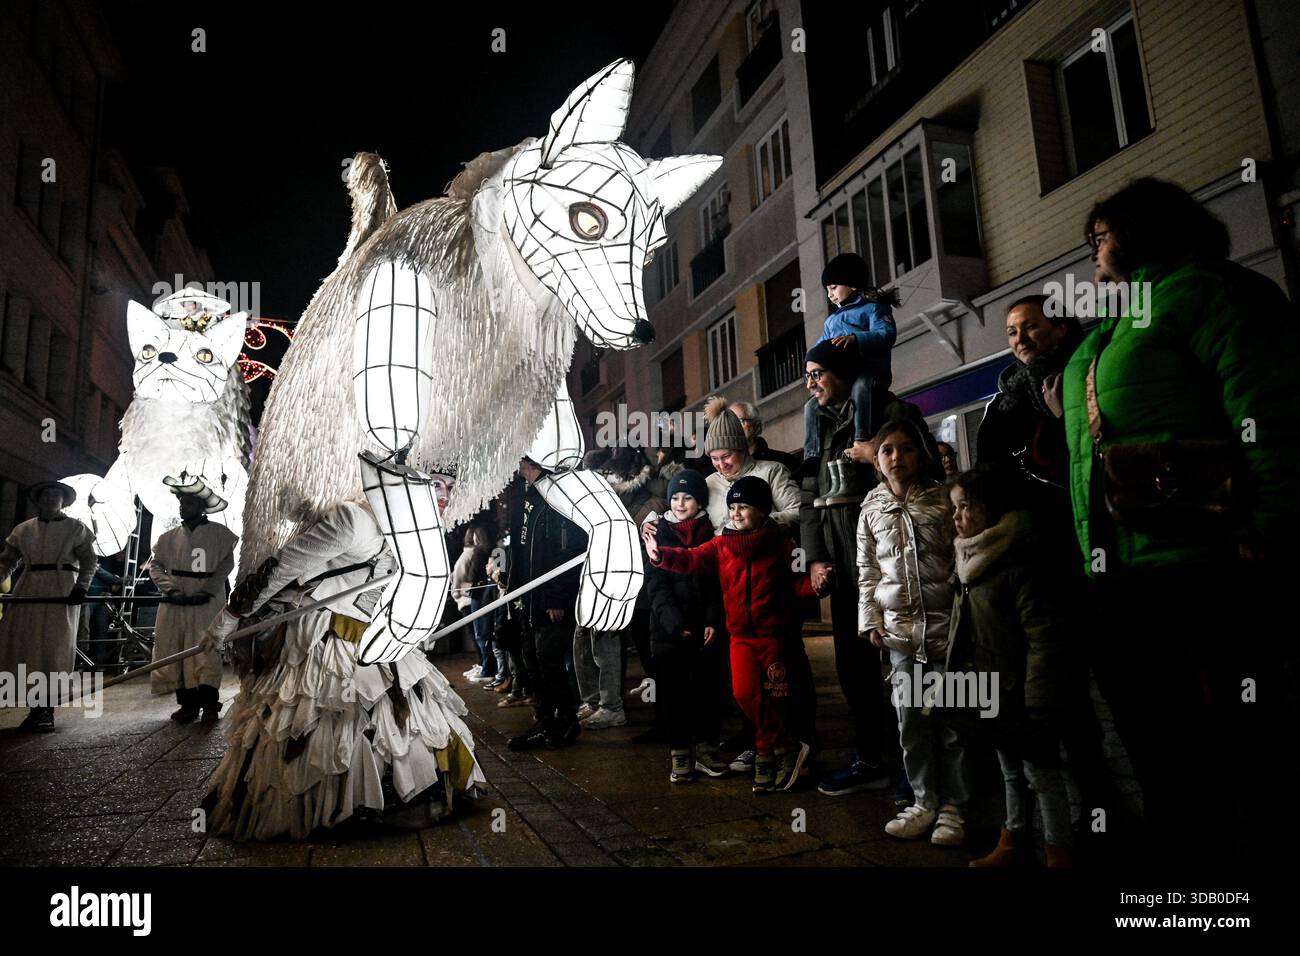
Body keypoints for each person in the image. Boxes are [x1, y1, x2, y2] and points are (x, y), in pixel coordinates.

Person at [1060, 177, 1300, 865]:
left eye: (1100, 236)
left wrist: (1267, 529)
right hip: (1123, 567)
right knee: (1162, 755)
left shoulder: (1210, 293)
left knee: (1236, 751)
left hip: (1204, 565)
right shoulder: (1118, 320)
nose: (1093, 252)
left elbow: (1274, 412)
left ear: (1140, 231)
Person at [200, 497, 485, 839]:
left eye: (449, 488)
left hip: (374, 634)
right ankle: (337, 807)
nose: (441, 497)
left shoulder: (409, 532)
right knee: (319, 717)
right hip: (323, 635)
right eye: (435, 485)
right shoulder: (355, 520)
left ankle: (391, 798)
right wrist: (228, 619)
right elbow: (282, 566)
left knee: (395, 715)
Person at [976, 293, 1119, 847]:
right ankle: (1080, 814)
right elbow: (991, 473)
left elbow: (1091, 460)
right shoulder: (1007, 400)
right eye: (1012, 332)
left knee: (1109, 684)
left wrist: (1063, 419)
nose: (1021, 339)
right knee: (1063, 704)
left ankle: (1111, 811)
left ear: (1058, 329)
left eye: (1030, 327)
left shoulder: (1084, 376)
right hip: (1036, 566)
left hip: (1092, 555)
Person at [645, 476, 816, 793]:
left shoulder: (782, 545)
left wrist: (817, 585)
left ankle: (766, 753)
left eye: (744, 507)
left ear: (763, 511)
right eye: (733, 506)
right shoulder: (721, 544)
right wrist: (661, 556)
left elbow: (797, 583)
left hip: (773, 636)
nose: (736, 513)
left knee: (774, 696)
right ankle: (785, 745)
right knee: (744, 694)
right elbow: (692, 557)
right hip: (739, 637)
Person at [946, 466, 1073, 867]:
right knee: (1010, 772)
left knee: (1042, 775)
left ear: (992, 509)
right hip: (991, 690)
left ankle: (1058, 848)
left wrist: (1038, 699)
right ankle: (1013, 838)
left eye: (966, 507)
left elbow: (1044, 638)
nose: (957, 517)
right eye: (955, 507)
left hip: (1021, 691)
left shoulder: (1018, 562)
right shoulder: (969, 561)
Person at [858, 418, 967, 844]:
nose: (896, 457)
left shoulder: (943, 500)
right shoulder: (870, 507)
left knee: (953, 722)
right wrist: (870, 620)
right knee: (910, 724)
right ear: (877, 460)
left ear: (920, 455)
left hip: (948, 631)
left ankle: (955, 808)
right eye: (887, 450)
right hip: (900, 636)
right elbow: (866, 569)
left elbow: (960, 554)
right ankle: (924, 801)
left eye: (905, 449)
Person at [800, 345, 893, 796]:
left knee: (901, 665)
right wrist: (816, 556)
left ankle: (913, 767)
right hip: (844, 573)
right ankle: (871, 757)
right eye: (807, 375)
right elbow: (808, 499)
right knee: (852, 668)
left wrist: (875, 454)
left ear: (841, 373)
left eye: (818, 373)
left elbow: (922, 472)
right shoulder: (818, 430)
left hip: (890, 567)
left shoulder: (889, 412)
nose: (811, 383)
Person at [644, 468, 727, 781]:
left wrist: (712, 621)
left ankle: (707, 748)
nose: (680, 503)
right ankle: (680, 753)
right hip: (668, 631)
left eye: (688, 497)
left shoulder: (711, 531)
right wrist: (675, 623)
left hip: (705, 629)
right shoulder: (658, 531)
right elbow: (656, 585)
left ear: (699, 501)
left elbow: (716, 584)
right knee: (674, 695)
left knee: (709, 690)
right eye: (675, 497)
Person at [506, 456, 588, 752]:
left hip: (549, 599)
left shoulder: (558, 495)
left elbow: (569, 551)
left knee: (549, 660)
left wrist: (556, 596)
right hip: (528, 599)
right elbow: (520, 545)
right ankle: (545, 721)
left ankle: (564, 721)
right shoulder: (528, 493)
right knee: (533, 660)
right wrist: (513, 588)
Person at [0, 480, 96, 731]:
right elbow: (7, 562)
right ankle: (34, 706)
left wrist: (81, 587)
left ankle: (46, 709)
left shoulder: (76, 528)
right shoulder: (23, 530)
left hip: (61, 590)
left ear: (64, 500)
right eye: (47, 494)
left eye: (57, 494)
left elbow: (89, 561)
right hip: (29, 589)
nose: (52, 498)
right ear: (39, 499)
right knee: (26, 646)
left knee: (54, 648)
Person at [147, 479, 238, 722]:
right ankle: (187, 704)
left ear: (201, 507)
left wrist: (207, 590)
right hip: (176, 601)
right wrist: (170, 590)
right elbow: (155, 566)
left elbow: (225, 565)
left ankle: (209, 703)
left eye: (188, 503)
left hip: (206, 601)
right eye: (181, 502)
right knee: (177, 647)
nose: (182, 507)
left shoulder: (220, 534)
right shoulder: (168, 537)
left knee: (206, 648)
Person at [802, 252, 899, 466]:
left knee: (861, 387)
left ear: (852, 284)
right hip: (844, 378)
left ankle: (861, 438)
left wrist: (857, 339)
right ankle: (811, 455)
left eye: (834, 287)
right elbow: (821, 348)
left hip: (872, 374)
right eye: (827, 290)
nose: (830, 294)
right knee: (810, 406)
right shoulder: (832, 321)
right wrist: (812, 362)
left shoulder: (874, 308)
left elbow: (886, 334)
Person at [452, 522, 496, 683]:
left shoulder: (473, 554)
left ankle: (486, 667)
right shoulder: (480, 553)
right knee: (479, 635)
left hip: (470, 598)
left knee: (479, 635)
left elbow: (462, 577)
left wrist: (456, 593)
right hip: (474, 597)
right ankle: (483, 665)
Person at [730, 400, 800, 473]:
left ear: (757, 426)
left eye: (740, 421)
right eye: (730, 423)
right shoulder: (723, 468)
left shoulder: (784, 461)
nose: (734, 427)